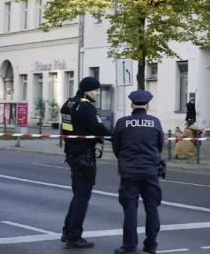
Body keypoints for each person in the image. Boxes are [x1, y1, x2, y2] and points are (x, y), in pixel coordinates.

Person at [60, 76, 112, 249]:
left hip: (72, 153)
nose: (98, 93)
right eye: (96, 90)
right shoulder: (86, 108)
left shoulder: (68, 104)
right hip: (84, 155)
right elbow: (99, 130)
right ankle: (74, 236)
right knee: (82, 197)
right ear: (87, 91)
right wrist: (119, 137)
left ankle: (68, 232)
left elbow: (67, 129)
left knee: (77, 195)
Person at [112, 90, 164, 254]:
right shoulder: (155, 122)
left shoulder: (122, 123)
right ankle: (151, 246)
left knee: (130, 210)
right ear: (147, 106)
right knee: (152, 208)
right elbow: (159, 147)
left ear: (131, 105)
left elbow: (116, 148)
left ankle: (129, 246)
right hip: (150, 172)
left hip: (129, 173)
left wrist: (125, 160)